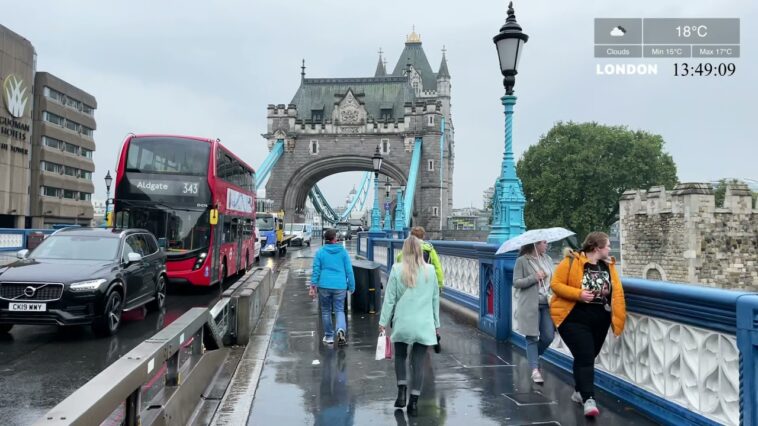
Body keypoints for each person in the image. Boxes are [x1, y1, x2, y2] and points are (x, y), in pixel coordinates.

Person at [550, 232, 626, 417]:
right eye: (607, 245)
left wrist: (618, 317)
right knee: (584, 356)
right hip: (573, 318)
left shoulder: (607, 266)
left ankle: (579, 391)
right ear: (596, 248)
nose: (610, 248)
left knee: (587, 357)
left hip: (600, 319)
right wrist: (579, 294)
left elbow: (616, 292)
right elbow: (556, 284)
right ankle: (589, 399)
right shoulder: (570, 262)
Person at [379, 235, 440, 416]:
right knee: (418, 362)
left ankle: (401, 393)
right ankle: (414, 402)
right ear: (421, 251)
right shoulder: (430, 271)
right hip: (424, 323)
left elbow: (389, 300)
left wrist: (383, 322)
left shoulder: (397, 269)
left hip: (403, 322)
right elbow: (435, 300)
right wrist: (436, 325)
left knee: (400, 356)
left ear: (404, 250)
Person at [512, 240, 555, 384]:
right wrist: (534, 278)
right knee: (531, 337)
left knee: (548, 336)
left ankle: (534, 358)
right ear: (535, 244)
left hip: (547, 303)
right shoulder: (522, 261)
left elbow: (554, 280)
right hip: (530, 304)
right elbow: (516, 282)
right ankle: (535, 370)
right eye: (544, 242)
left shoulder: (547, 259)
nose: (546, 245)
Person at [311, 228, 356, 345]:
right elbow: (349, 270)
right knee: (339, 310)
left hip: (324, 285)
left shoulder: (320, 252)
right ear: (335, 239)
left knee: (326, 311)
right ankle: (340, 329)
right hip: (340, 286)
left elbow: (316, 270)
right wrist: (352, 285)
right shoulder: (343, 252)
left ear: (325, 239)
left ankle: (329, 336)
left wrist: (313, 286)